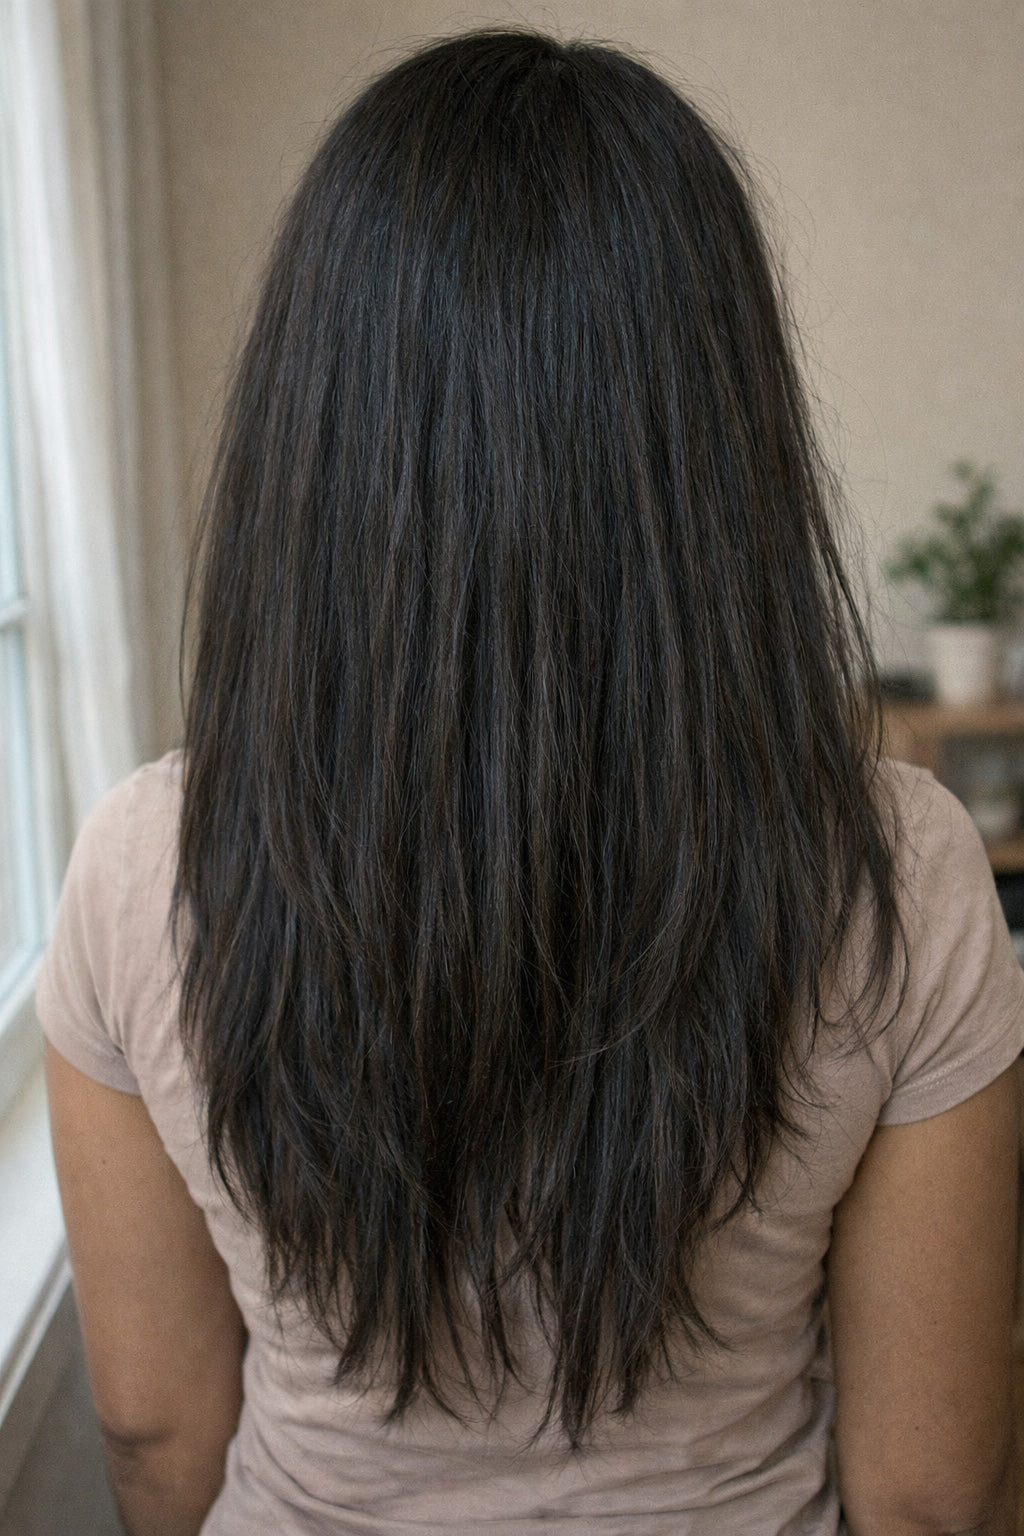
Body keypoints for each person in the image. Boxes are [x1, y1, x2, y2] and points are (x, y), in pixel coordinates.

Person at [38, 28, 1023, 1536]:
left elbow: (154, 1433)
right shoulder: (901, 869)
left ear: (317, 428)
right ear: (723, 435)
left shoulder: (143, 861)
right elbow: (930, 1494)